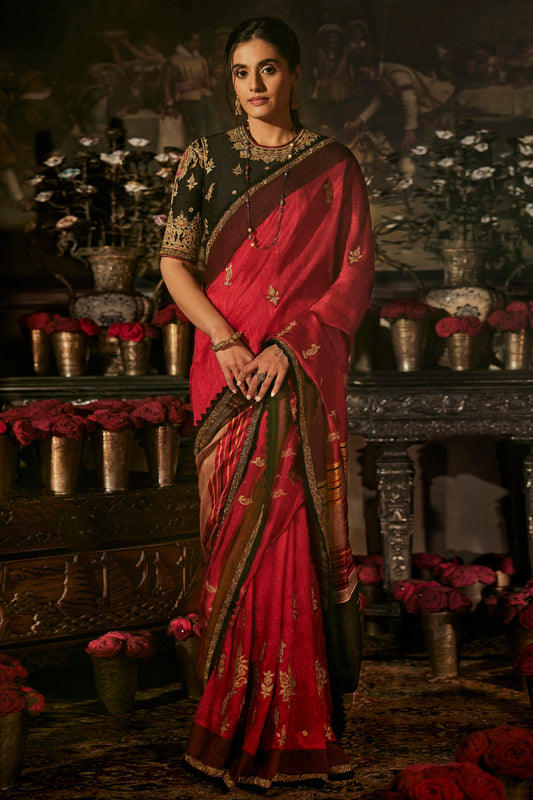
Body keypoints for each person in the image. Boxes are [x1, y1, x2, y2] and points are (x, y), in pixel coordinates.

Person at [160, 16, 374, 790]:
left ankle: (296, 727)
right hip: (226, 374)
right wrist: (226, 341)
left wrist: (288, 347)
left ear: (295, 74)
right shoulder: (203, 159)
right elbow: (174, 262)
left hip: (294, 373)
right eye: (242, 71)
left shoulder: (334, 167)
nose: (254, 85)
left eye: (269, 68)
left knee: (285, 531)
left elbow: (349, 279)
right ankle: (225, 719)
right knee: (234, 542)